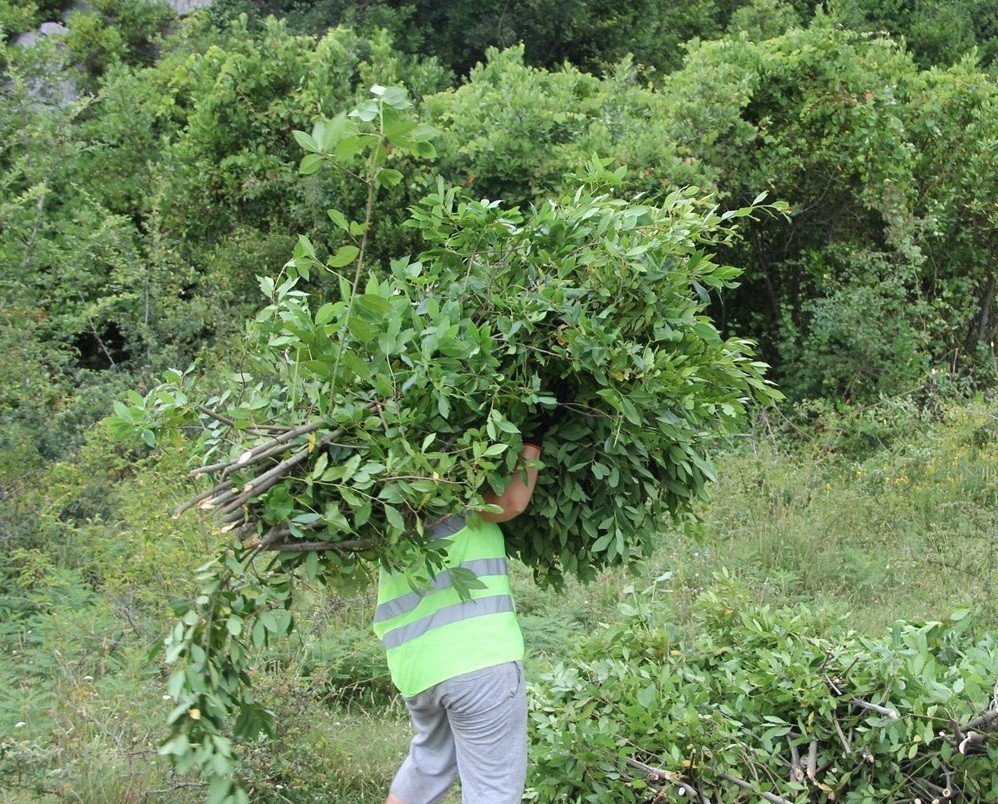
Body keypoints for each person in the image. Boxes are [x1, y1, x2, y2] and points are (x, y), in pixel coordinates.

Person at [375, 411, 562, 804]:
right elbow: (511, 501)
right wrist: (532, 442)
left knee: (428, 765)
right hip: (477, 666)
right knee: (492, 790)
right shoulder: (454, 502)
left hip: (416, 672)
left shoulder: (389, 522)